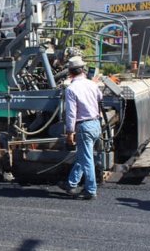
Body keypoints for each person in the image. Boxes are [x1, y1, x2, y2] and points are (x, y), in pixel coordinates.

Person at [58, 56, 102, 200]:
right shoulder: (93, 85)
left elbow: (71, 113)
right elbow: (100, 99)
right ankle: (71, 183)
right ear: (83, 69)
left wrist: (70, 132)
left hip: (84, 126)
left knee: (87, 158)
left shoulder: (71, 89)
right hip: (96, 124)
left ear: (70, 72)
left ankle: (90, 190)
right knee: (84, 155)